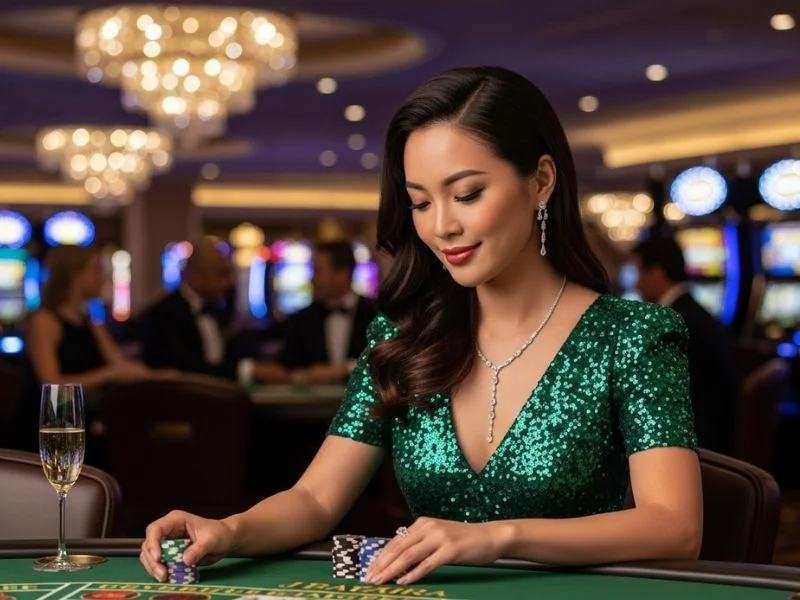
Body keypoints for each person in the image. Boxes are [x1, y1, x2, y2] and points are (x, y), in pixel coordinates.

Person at [140, 66, 702, 585]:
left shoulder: (633, 334)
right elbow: (313, 500)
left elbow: (675, 528)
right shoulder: (402, 339)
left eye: (467, 194)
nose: (442, 227)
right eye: (420, 203)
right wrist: (230, 530)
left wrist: (496, 538)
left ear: (542, 181)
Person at [22, 245, 156, 452]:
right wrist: (110, 374)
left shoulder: (91, 323)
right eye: (95, 270)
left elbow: (123, 367)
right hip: (53, 429)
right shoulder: (44, 320)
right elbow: (52, 385)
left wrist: (169, 376)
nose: (102, 277)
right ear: (74, 275)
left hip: (85, 421)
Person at [632, 236, 738, 454]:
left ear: (657, 274)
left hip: (695, 444)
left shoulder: (672, 323)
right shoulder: (690, 312)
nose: (636, 283)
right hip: (710, 430)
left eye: (639, 274)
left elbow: (661, 400)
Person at [243, 241, 378, 385]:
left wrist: (345, 369)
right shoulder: (301, 319)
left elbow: (389, 365)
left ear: (342, 274)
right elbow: (288, 367)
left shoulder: (377, 315)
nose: (312, 279)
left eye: (317, 271)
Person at [140, 238, 236, 378]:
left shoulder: (218, 309)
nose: (228, 283)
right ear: (195, 274)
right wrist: (244, 370)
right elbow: (183, 369)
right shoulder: (163, 314)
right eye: (221, 274)